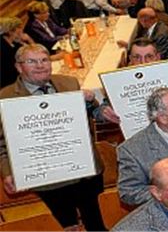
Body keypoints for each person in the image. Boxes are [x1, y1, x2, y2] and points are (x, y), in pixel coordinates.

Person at [1, 44, 106, 231]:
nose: (40, 65)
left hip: (84, 171)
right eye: (31, 62)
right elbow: (2, 142)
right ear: (19, 67)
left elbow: (92, 114)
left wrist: (92, 102)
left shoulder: (69, 83)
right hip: (47, 178)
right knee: (67, 225)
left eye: (44, 60)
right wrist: (7, 171)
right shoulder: (5, 98)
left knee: (96, 223)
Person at [98, 38, 168, 123]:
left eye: (149, 57)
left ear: (158, 57)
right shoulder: (117, 84)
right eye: (137, 57)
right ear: (130, 60)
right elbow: (98, 112)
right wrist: (103, 111)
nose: (143, 62)